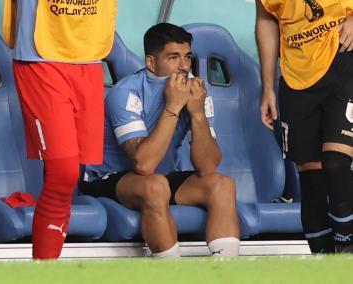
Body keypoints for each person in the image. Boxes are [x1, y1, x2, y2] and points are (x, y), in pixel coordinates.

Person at [80, 23, 240, 258]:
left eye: (187, 57)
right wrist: (173, 106)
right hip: (109, 179)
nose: (184, 67)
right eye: (173, 58)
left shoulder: (195, 91)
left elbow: (207, 167)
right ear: (151, 62)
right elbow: (143, 165)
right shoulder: (126, 92)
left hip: (162, 179)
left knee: (223, 185)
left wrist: (197, 114)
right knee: (155, 186)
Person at [2, 0, 117, 259]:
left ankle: (47, 266)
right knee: (63, 172)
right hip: (41, 55)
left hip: (88, 55)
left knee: (67, 177)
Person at [256, 0, 353, 253]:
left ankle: (347, 253)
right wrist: (267, 85)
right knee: (312, 181)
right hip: (297, 78)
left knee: (335, 163)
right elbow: (266, 19)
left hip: (344, 59)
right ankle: (324, 267)